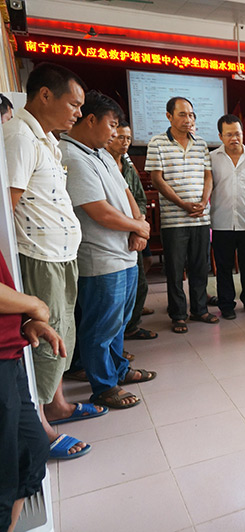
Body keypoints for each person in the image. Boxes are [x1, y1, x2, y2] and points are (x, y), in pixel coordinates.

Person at [5, 62, 95, 459]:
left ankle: (57, 403)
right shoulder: (19, 137)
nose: (78, 112)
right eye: (73, 104)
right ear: (45, 95)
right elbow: (8, 209)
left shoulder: (44, 138)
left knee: (63, 332)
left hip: (61, 253)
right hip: (40, 257)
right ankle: (41, 422)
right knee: (46, 337)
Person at [62, 89, 158, 410]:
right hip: (100, 259)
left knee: (117, 324)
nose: (115, 133)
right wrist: (136, 227)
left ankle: (117, 370)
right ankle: (103, 386)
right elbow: (98, 210)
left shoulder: (100, 152)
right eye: (112, 124)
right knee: (100, 328)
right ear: (91, 120)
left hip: (125, 252)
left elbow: (126, 191)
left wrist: (139, 225)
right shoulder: (72, 156)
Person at [146, 96, 218, 332]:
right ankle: (178, 314)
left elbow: (208, 175)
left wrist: (203, 201)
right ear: (169, 116)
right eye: (182, 114)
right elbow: (157, 178)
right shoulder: (157, 142)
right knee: (176, 270)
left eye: (191, 115)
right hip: (173, 219)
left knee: (200, 265)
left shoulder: (200, 143)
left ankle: (200, 310)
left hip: (201, 216)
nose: (188, 119)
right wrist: (182, 204)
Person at [0, 250, 59, 531]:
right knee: (4, 474)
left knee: (30, 452)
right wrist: (34, 305)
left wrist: (24, 321)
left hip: (9, 354)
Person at [106, 120, 157, 342]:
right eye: (120, 137)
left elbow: (139, 197)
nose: (125, 142)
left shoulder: (127, 166)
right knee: (117, 293)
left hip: (134, 231)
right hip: (112, 234)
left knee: (139, 282)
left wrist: (139, 228)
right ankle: (121, 331)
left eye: (128, 138)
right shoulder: (102, 163)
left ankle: (131, 326)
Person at [209, 114, 245, 320]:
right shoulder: (212, 158)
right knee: (223, 267)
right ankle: (226, 305)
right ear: (221, 136)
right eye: (229, 134)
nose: (234, 138)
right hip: (222, 222)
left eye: (238, 133)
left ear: (243, 134)